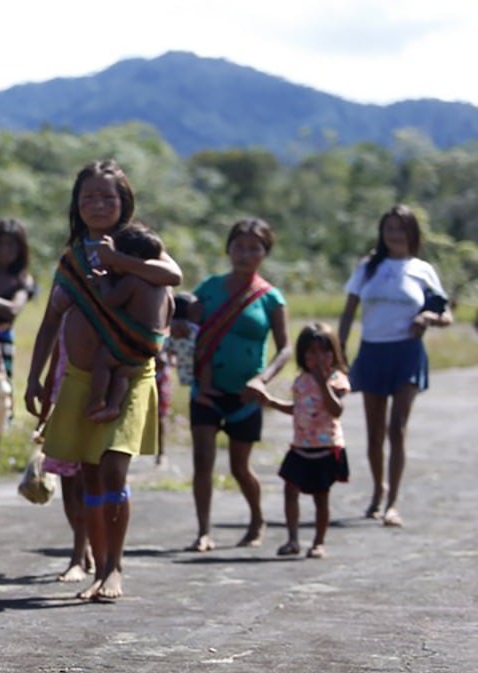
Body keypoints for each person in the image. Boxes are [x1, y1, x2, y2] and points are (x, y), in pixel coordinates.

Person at [24, 159, 181, 600]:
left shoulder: (141, 244)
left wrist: (119, 261)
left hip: (130, 376)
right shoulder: (72, 259)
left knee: (114, 468)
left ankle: (114, 568)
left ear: (124, 201)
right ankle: (96, 567)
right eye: (88, 196)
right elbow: (51, 321)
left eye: (107, 197)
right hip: (78, 378)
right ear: (77, 204)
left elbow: (173, 276)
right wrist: (35, 377)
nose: (97, 204)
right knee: (91, 476)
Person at [337, 204, 452, 528]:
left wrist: (428, 317)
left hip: (407, 354)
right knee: (374, 433)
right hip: (372, 351)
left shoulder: (422, 269)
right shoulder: (368, 268)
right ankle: (377, 490)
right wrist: (339, 350)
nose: (395, 235)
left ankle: (393, 502)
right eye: (389, 229)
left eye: (401, 229)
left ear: (412, 234)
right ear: (382, 233)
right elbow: (348, 312)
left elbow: (445, 314)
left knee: (396, 429)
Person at [186, 218, 290, 553]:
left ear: (265, 253)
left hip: (246, 395)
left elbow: (285, 347)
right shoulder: (209, 288)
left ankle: (257, 519)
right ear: (228, 248)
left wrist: (263, 379)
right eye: (239, 246)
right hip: (206, 391)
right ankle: (203, 531)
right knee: (203, 460)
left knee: (239, 466)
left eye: (254, 248)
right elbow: (187, 329)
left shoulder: (270, 298)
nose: (245, 254)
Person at [258, 323, 350, 558]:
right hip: (300, 446)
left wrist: (322, 382)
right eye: (311, 352)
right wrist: (272, 402)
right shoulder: (301, 380)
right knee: (290, 489)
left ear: (334, 353)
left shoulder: (336, 379)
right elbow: (298, 408)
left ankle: (319, 542)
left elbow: (336, 410)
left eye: (323, 352)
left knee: (321, 497)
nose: (317, 357)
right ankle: (292, 539)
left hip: (325, 446)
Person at [84, 222, 170, 424]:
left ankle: (97, 401)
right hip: (154, 341)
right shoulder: (160, 285)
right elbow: (171, 308)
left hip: (135, 337)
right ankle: (113, 407)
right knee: (123, 372)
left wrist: (103, 282)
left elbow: (111, 300)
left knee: (104, 360)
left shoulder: (132, 281)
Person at [0, 218, 36, 494]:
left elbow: (13, 310)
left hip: (2, 346)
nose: (6, 249)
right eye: (1, 243)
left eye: (12, 244)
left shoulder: (21, 279)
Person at [38, 315, 93, 582]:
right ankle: (83, 547)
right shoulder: (66, 315)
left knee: (84, 485)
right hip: (63, 407)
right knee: (68, 487)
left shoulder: (102, 314)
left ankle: (78, 556)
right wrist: (44, 413)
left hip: (90, 406)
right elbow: (54, 364)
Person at [156, 292, 201, 466]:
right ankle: (161, 453)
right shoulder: (196, 330)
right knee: (160, 417)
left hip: (162, 376)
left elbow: (164, 354)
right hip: (192, 378)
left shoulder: (166, 330)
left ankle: (159, 453)